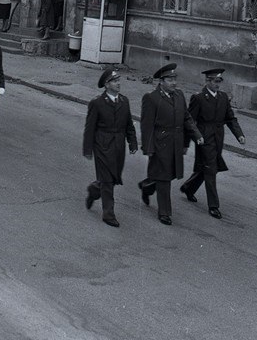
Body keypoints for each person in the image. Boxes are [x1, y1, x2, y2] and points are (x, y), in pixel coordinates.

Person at [138, 63, 203, 225]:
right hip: (160, 144)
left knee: (170, 174)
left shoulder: (179, 95)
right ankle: (164, 213)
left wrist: (197, 135)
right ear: (161, 81)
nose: (174, 83)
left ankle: (147, 186)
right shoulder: (151, 98)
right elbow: (146, 126)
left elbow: (187, 118)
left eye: (175, 79)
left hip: (176, 143)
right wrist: (148, 148)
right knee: (165, 178)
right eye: (169, 79)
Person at [181, 67, 246, 219]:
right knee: (211, 169)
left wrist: (239, 135)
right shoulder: (199, 98)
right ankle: (213, 205)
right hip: (203, 139)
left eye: (220, 81)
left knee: (208, 167)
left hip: (218, 138)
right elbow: (190, 121)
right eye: (215, 81)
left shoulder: (223, 97)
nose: (218, 84)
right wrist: (187, 142)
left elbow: (230, 118)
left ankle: (188, 188)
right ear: (207, 81)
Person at [83, 68, 138, 227]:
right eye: (114, 81)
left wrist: (132, 143)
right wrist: (88, 149)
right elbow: (90, 128)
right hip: (102, 145)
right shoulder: (97, 103)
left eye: (119, 80)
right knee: (107, 180)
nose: (118, 83)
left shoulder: (124, 101)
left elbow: (129, 125)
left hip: (118, 145)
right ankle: (108, 214)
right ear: (107, 85)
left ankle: (94, 190)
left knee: (112, 178)